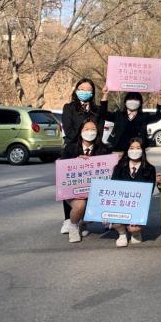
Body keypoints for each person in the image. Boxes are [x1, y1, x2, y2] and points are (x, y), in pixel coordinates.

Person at [60, 117, 110, 243]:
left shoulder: (104, 149)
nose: (90, 132)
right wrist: (75, 162)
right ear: (80, 131)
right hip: (74, 191)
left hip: (95, 193)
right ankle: (73, 226)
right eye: (86, 129)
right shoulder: (70, 148)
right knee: (80, 205)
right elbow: (62, 170)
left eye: (93, 129)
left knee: (93, 212)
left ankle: (84, 222)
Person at [60, 78, 100, 235]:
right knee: (71, 184)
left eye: (88, 89)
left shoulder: (95, 109)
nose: (85, 91)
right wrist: (79, 147)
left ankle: (83, 220)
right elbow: (68, 129)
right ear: (76, 90)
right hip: (73, 149)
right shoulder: (69, 107)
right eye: (81, 88)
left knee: (87, 185)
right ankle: (67, 219)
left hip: (92, 149)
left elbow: (99, 128)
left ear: (92, 92)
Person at [110, 138, 156, 247]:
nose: (134, 151)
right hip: (121, 204)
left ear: (143, 150)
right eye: (131, 148)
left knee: (134, 228)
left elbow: (148, 192)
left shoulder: (150, 169)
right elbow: (112, 188)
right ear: (127, 150)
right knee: (115, 221)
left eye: (138, 148)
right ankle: (122, 234)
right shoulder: (119, 167)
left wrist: (137, 213)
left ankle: (136, 233)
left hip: (138, 205)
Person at [100, 87, 161, 154]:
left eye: (136, 100)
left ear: (140, 103)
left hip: (137, 150)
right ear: (125, 102)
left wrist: (159, 98)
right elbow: (103, 114)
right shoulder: (119, 115)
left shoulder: (144, 116)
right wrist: (105, 95)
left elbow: (159, 116)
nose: (133, 102)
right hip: (118, 149)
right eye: (130, 99)